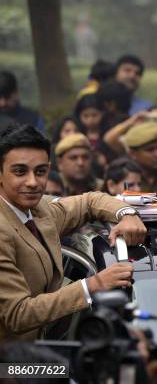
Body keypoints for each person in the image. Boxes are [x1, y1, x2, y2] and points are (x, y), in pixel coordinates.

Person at [0, 124, 146, 342]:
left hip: (46, 351)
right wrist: (93, 285)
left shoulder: (40, 210)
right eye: (20, 172)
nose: (32, 182)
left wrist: (127, 213)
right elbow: (18, 314)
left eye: (40, 172)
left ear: (49, 170)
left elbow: (89, 201)